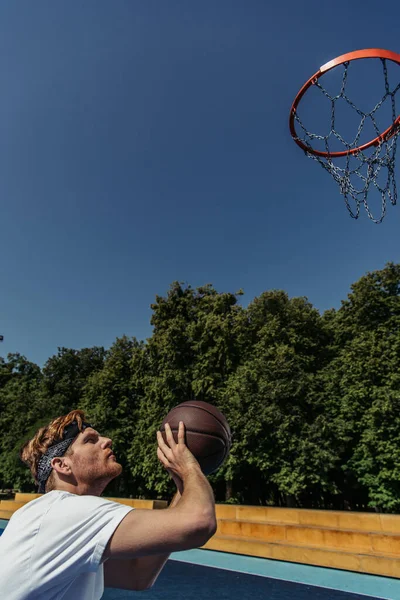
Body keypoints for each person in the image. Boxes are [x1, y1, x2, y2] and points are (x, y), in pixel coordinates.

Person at [0, 409, 217, 599]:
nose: (107, 440)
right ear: (62, 464)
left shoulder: (50, 518)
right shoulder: (66, 511)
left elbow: (137, 575)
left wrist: (184, 481)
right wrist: (190, 468)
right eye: (90, 440)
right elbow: (199, 522)